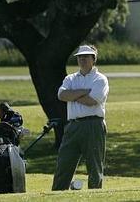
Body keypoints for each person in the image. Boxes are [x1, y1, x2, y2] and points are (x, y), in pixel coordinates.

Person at [52, 45, 109, 190]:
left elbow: (92, 101)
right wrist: (84, 92)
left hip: (93, 124)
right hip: (73, 125)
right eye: (79, 57)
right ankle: (57, 195)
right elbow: (62, 95)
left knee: (94, 166)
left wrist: (73, 95)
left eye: (86, 56)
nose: (82, 59)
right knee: (63, 164)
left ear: (93, 59)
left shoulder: (100, 79)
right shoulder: (70, 78)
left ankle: (94, 196)